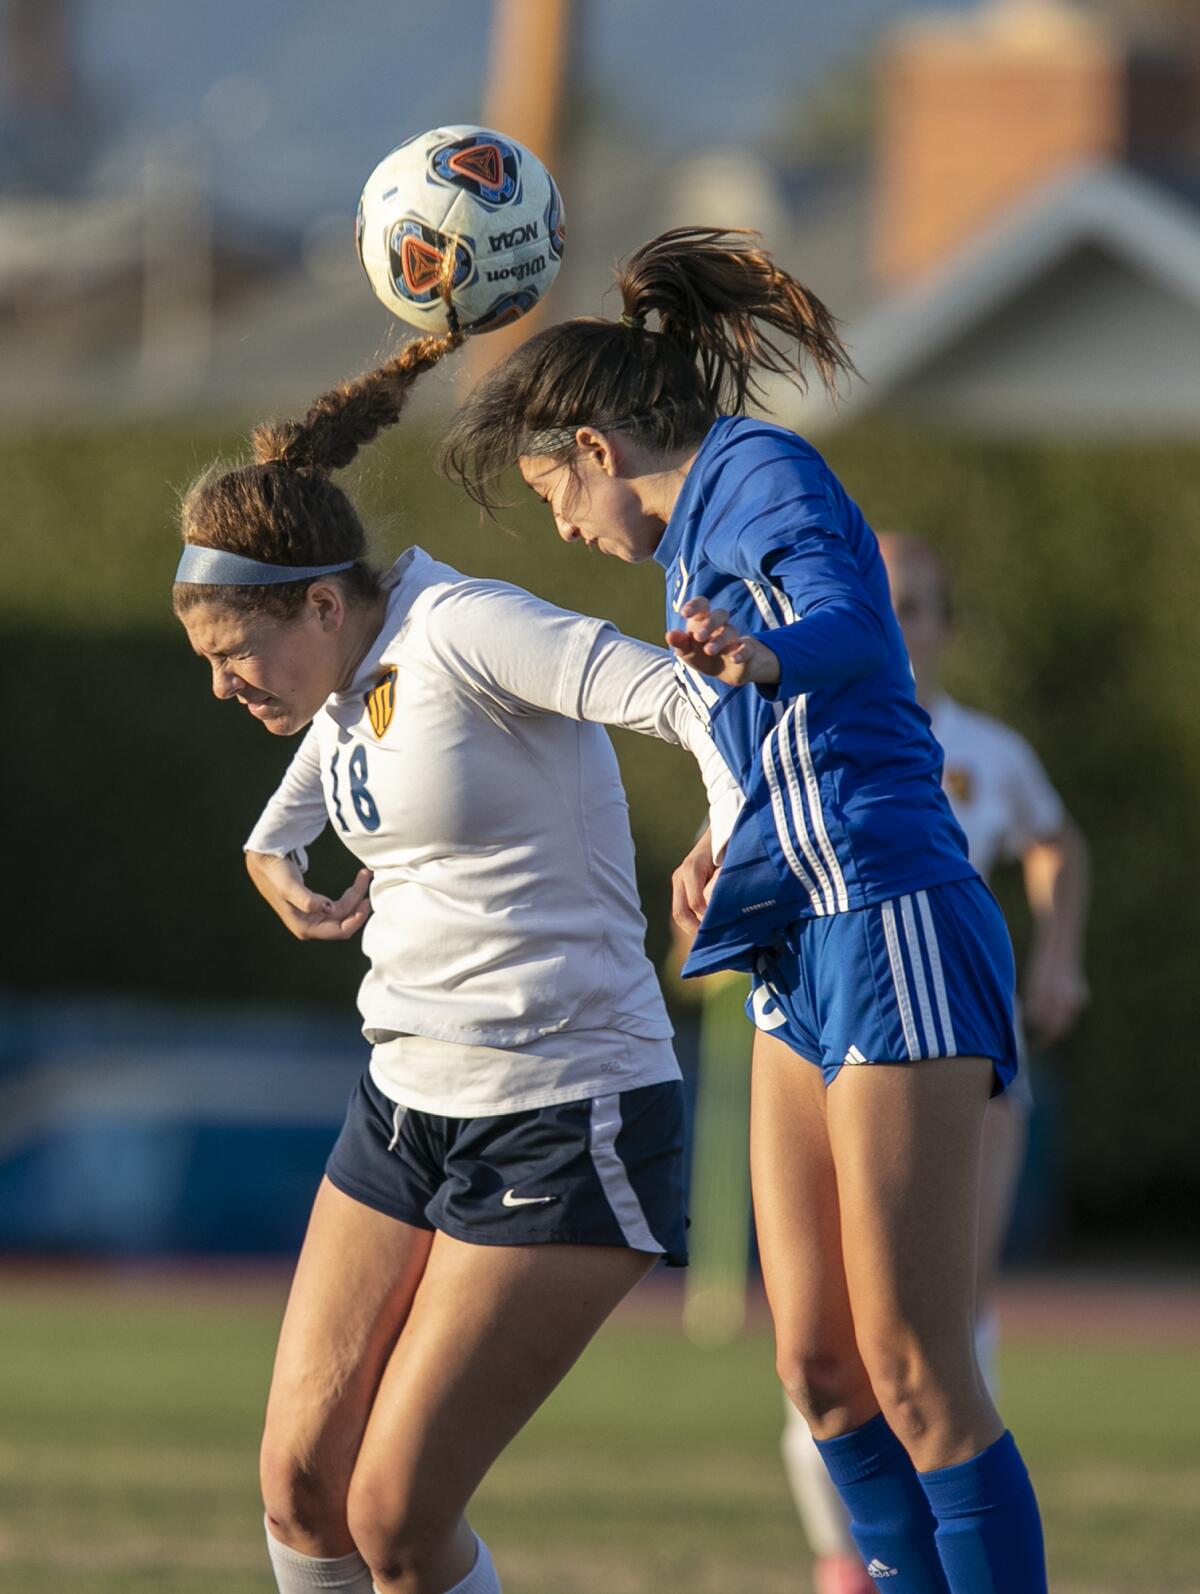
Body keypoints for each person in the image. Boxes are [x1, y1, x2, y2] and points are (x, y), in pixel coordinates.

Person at [439, 228, 1050, 1593]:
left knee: (914, 1364)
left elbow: (843, 618)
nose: (563, 526)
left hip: (888, 915)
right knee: (820, 1369)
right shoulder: (689, 546)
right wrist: (723, 835)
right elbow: (778, 733)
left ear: (592, 448)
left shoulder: (757, 472)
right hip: (793, 939)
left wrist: (769, 649)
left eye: (549, 493)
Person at [172, 329, 739, 1594]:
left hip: (566, 1112)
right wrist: (276, 863)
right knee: (302, 1487)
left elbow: (693, 701)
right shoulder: (342, 680)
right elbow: (308, 793)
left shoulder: (468, 627)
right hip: (403, 1104)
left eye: (231, 657)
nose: (221, 687)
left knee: (395, 1513)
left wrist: (724, 845)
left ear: (322, 601)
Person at [779, 532, 1090, 1594]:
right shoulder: (810, 725)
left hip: (959, 1043)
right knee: (825, 1348)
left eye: (917, 604)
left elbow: (1057, 843)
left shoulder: (985, 750)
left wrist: (1057, 959)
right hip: (830, 1032)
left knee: (938, 1315)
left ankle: (937, 1536)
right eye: (884, 598)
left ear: (944, 625)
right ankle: (853, 1554)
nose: (900, 620)